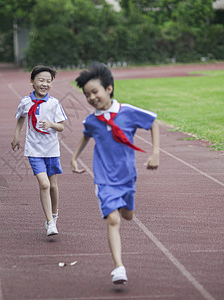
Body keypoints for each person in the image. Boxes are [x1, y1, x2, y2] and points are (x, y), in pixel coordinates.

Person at [71, 62, 159, 284]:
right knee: (113, 220)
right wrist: (74, 157)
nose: (91, 98)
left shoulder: (127, 112)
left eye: (94, 92)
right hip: (104, 179)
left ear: (108, 89)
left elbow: (153, 123)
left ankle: (123, 204)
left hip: (127, 177)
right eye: (86, 95)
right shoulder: (92, 120)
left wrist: (155, 153)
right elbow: (86, 133)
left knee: (127, 215)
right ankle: (119, 267)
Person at [11, 65, 67, 236]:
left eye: (48, 81)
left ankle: (54, 215)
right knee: (44, 184)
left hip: (51, 150)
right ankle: (50, 222)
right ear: (32, 82)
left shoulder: (54, 103)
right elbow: (21, 117)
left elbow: (61, 127)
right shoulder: (26, 102)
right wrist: (16, 136)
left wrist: (51, 124)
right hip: (34, 150)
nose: (45, 84)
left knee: (53, 186)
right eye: (41, 80)